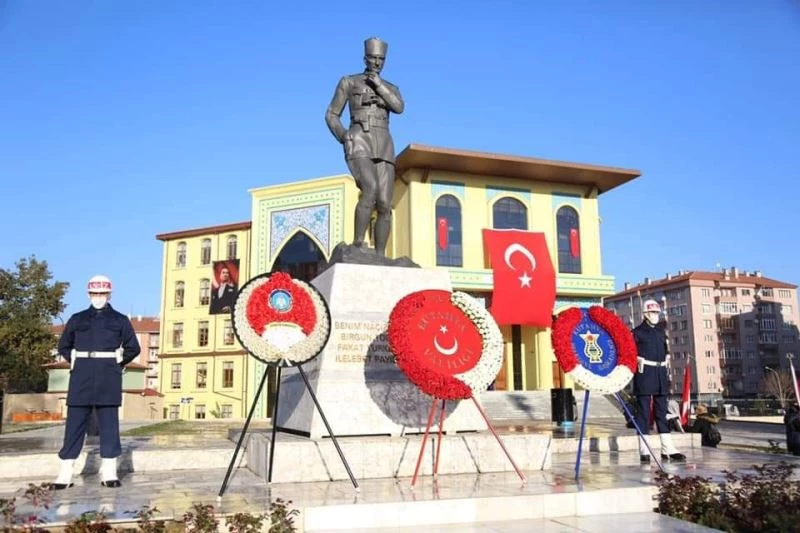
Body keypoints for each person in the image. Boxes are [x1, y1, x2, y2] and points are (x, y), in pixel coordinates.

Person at [52, 275, 141, 489]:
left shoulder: (119, 320)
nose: (98, 297)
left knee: (109, 424)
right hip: (81, 374)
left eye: (102, 293)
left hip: (108, 375)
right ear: (88, 294)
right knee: (74, 424)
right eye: (94, 294)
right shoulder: (77, 318)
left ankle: (109, 471)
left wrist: (118, 364)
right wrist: (74, 360)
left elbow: (133, 347)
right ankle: (65, 472)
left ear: (109, 294)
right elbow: (64, 345)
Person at [325, 37, 405, 257]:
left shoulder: (391, 87)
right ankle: (359, 244)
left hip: (384, 143)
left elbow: (399, 107)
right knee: (369, 189)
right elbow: (331, 114)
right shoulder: (349, 82)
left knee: (385, 203)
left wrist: (379, 85)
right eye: (373, 58)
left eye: (381, 59)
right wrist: (345, 137)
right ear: (365, 58)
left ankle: (380, 255)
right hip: (359, 139)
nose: (377, 63)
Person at [632, 299, 686, 463]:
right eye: (652, 313)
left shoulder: (661, 331)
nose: (655, 315)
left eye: (656, 313)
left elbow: (665, 350)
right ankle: (644, 450)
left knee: (662, 413)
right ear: (645, 314)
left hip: (660, 373)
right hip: (645, 373)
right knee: (643, 414)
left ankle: (667, 449)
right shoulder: (637, 332)